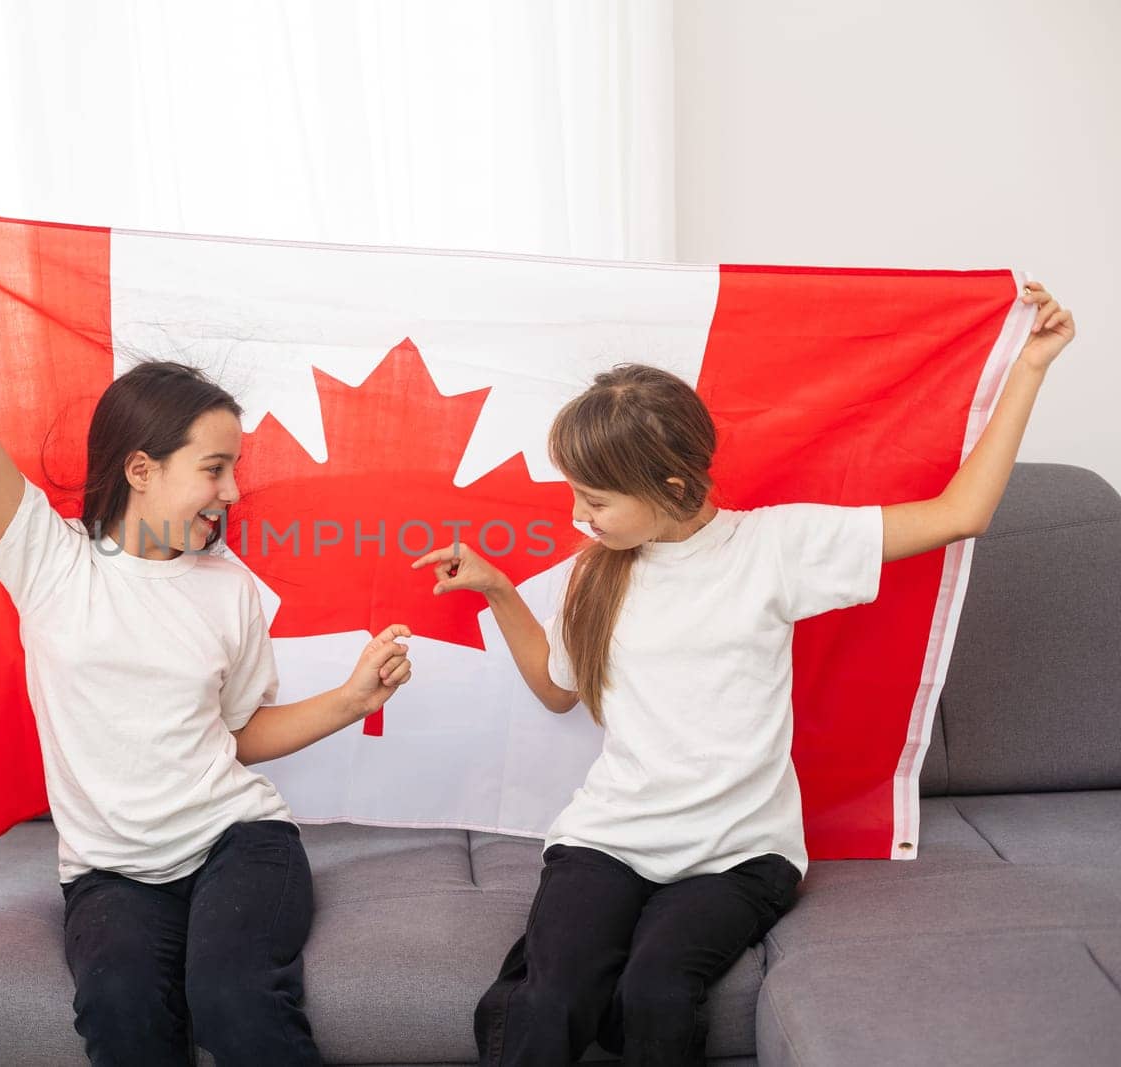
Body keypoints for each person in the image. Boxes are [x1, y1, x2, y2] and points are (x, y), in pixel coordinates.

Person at [0, 201, 414, 1066]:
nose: (234, 491)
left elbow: (236, 737)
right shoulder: (50, 562)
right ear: (140, 469)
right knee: (123, 1014)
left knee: (234, 1001)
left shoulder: (232, 590)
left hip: (240, 844)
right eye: (215, 467)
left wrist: (351, 700)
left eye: (235, 468)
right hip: (110, 873)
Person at [411, 283, 1074, 1066]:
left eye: (594, 499)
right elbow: (558, 686)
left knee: (653, 994)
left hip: (740, 855)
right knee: (554, 998)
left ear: (671, 486)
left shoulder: (774, 548)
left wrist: (1029, 367)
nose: (576, 517)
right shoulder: (599, 570)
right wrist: (498, 589)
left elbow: (959, 513)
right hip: (610, 837)